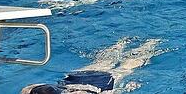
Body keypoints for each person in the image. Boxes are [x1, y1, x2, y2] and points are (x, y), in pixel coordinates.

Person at [21, 38, 162, 94]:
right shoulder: (41, 90)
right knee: (104, 62)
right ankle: (123, 44)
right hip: (75, 78)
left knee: (126, 67)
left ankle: (148, 45)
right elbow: (27, 88)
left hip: (98, 84)